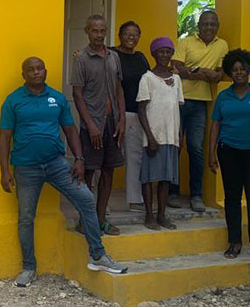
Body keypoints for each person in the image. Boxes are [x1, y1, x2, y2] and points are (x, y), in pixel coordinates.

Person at [0, 57, 128, 288]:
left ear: (45, 71)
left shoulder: (57, 98)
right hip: (26, 168)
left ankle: (97, 256)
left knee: (86, 199)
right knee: (26, 217)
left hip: (56, 164)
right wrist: (4, 171)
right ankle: (29, 267)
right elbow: (4, 137)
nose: (36, 72)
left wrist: (79, 159)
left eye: (39, 68)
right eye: (31, 69)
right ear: (23, 75)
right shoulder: (13, 101)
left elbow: (70, 130)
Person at [208, 49, 250, 261]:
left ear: (249, 70)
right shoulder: (223, 97)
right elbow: (215, 125)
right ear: (230, 72)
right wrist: (211, 154)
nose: (239, 72)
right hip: (228, 151)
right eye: (235, 70)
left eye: (242, 69)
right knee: (232, 197)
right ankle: (234, 242)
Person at [71, 15, 126, 236]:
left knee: (108, 172)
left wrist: (122, 119)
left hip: (112, 124)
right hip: (92, 125)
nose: (99, 35)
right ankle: (85, 220)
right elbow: (77, 94)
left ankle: (101, 219)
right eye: (94, 31)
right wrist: (90, 125)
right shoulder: (81, 59)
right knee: (88, 175)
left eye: (102, 31)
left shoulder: (113, 57)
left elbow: (119, 89)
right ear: (87, 31)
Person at [171, 10, 228, 212]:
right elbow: (176, 67)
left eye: (213, 24)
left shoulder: (222, 45)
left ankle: (196, 195)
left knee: (195, 147)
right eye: (205, 24)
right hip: (178, 100)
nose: (209, 27)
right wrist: (201, 73)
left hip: (201, 103)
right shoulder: (185, 42)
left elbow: (220, 73)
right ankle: (173, 192)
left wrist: (207, 74)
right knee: (174, 146)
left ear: (217, 26)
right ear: (198, 26)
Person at [136, 37, 184, 230]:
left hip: (171, 136)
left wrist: (180, 134)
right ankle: (149, 216)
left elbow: (177, 109)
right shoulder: (147, 78)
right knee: (148, 177)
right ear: (153, 54)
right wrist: (150, 137)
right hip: (154, 137)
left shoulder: (177, 79)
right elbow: (141, 109)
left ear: (172, 54)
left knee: (166, 178)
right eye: (160, 51)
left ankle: (162, 215)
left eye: (168, 51)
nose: (164, 55)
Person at [109, 21, 150, 212]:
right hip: (113, 113)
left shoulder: (141, 58)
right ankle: (101, 202)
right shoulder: (109, 54)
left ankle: (135, 200)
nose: (131, 38)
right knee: (106, 157)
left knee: (135, 157)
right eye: (127, 34)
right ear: (119, 35)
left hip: (135, 113)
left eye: (135, 34)